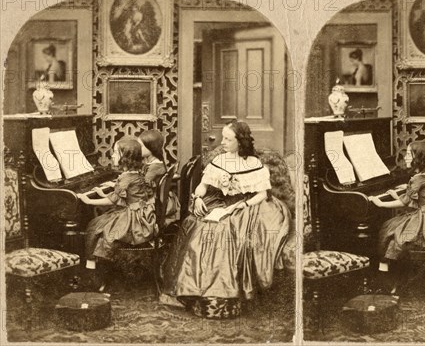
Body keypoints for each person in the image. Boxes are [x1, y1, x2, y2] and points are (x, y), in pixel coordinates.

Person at [161, 120, 290, 319]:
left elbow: (262, 195)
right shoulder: (220, 160)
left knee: (223, 230)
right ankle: (195, 290)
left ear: (240, 142)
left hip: (247, 205)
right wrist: (197, 198)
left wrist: (240, 206)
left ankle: (223, 294)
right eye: (223, 138)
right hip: (220, 202)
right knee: (200, 225)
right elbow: (203, 185)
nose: (223, 142)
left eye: (228, 139)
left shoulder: (254, 164)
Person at [369, 142, 425, 292]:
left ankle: (387, 279)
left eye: (409, 154)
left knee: (390, 232)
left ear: (418, 159)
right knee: (392, 228)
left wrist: (380, 203)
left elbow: (404, 202)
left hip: (424, 221)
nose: (405, 157)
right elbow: (418, 198)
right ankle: (388, 274)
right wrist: (400, 194)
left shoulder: (417, 178)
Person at [78, 138, 156, 288]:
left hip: (132, 220)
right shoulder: (137, 173)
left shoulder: (125, 177)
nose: (112, 156)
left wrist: (88, 201)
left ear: (125, 157)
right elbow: (125, 195)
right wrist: (103, 192)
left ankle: (93, 273)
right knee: (99, 224)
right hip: (141, 215)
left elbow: (113, 201)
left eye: (115, 153)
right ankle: (95, 268)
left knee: (96, 227)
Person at [138, 130, 180, 225]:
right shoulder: (154, 163)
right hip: (152, 200)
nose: (138, 148)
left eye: (140, 146)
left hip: (152, 204)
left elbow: (141, 188)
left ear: (151, 147)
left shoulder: (155, 167)